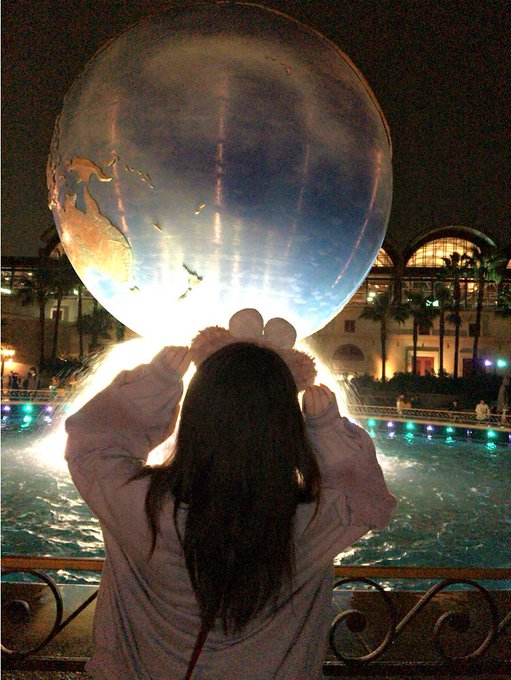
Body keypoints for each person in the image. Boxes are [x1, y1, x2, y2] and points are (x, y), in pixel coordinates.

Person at [65, 309, 396, 680]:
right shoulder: (312, 523)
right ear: (289, 428)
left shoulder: (141, 506)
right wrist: (326, 427)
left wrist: (157, 384)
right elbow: (364, 495)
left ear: (194, 415)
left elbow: (93, 443)